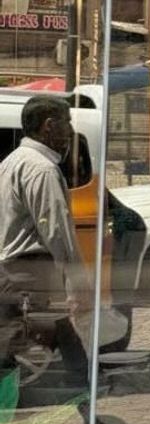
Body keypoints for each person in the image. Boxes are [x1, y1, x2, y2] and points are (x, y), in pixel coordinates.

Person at [0, 96, 90, 386]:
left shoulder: (13, 161)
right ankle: (83, 394)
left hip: (15, 272)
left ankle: (84, 394)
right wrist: (78, 281)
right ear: (49, 125)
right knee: (12, 346)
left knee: (61, 338)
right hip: (30, 274)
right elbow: (56, 231)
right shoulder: (42, 169)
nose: (71, 131)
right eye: (67, 123)